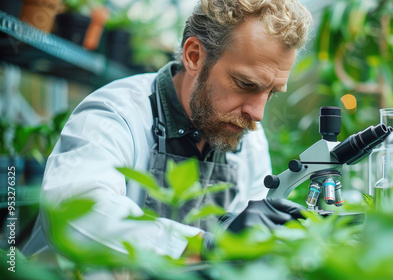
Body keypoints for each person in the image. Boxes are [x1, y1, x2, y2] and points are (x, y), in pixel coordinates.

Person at [21, 0, 313, 260]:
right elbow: (75, 217)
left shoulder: (249, 139)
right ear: (195, 56)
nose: (257, 114)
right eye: (246, 84)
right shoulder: (115, 113)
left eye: (272, 92)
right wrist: (205, 244)